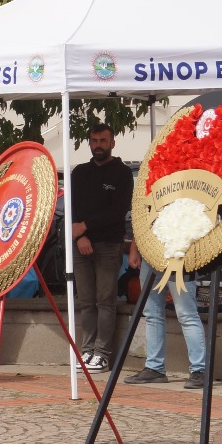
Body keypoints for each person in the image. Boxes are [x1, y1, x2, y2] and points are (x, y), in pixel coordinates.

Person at [72, 123, 133, 372]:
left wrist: (85, 226)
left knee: (104, 301)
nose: (98, 145)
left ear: (112, 143)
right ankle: (86, 351)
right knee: (86, 301)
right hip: (81, 245)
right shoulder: (79, 172)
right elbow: (73, 209)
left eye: (103, 140)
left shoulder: (122, 173)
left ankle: (102, 354)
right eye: (94, 140)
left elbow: (117, 211)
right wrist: (79, 237)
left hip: (108, 245)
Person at [125, 241, 210, 389]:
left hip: (177, 252)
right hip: (151, 253)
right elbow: (141, 221)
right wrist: (135, 248)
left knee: (186, 314)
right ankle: (155, 367)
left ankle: (199, 370)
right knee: (152, 313)